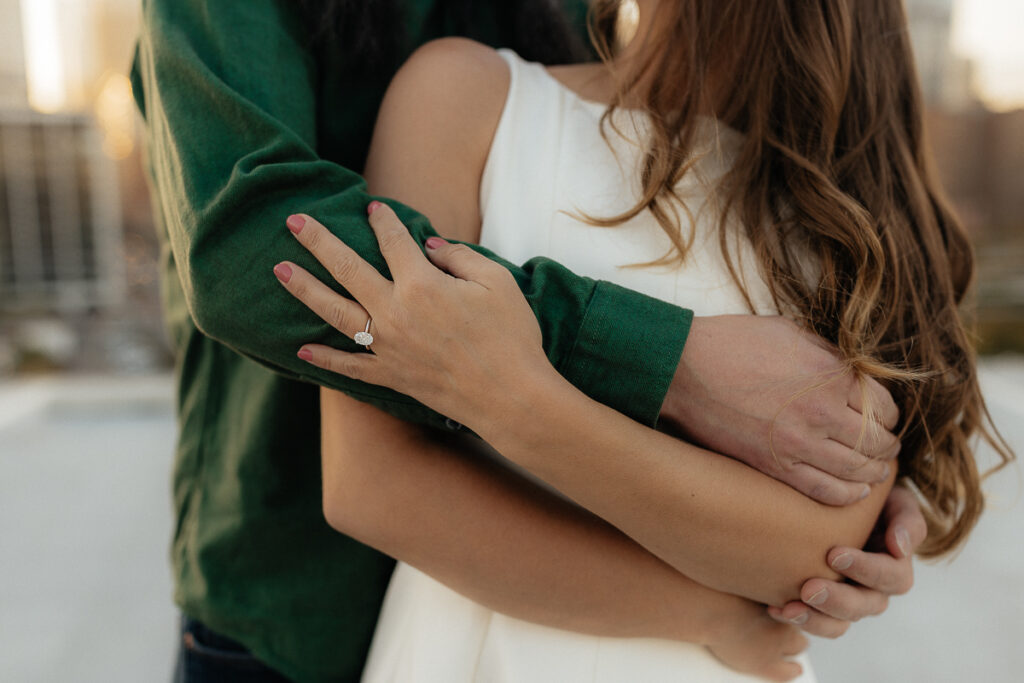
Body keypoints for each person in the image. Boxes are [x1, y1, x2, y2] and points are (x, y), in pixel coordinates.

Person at [132, 1, 931, 681]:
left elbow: (814, 538)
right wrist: (661, 367)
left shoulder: (818, 189)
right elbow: (244, 242)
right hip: (301, 593)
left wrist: (862, 475)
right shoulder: (464, 93)